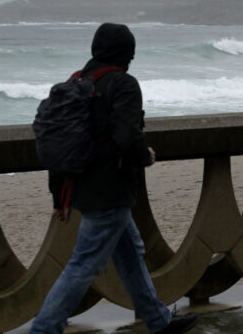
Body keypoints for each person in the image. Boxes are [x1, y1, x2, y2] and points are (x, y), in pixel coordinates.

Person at [31, 23, 198, 334]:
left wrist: (59, 195)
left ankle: (158, 321)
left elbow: (60, 143)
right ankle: (43, 329)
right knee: (84, 263)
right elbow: (127, 136)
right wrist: (145, 155)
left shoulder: (76, 81)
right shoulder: (123, 84)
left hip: (82, 186)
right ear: (127, 54)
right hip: (110, 189)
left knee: (130, 253)